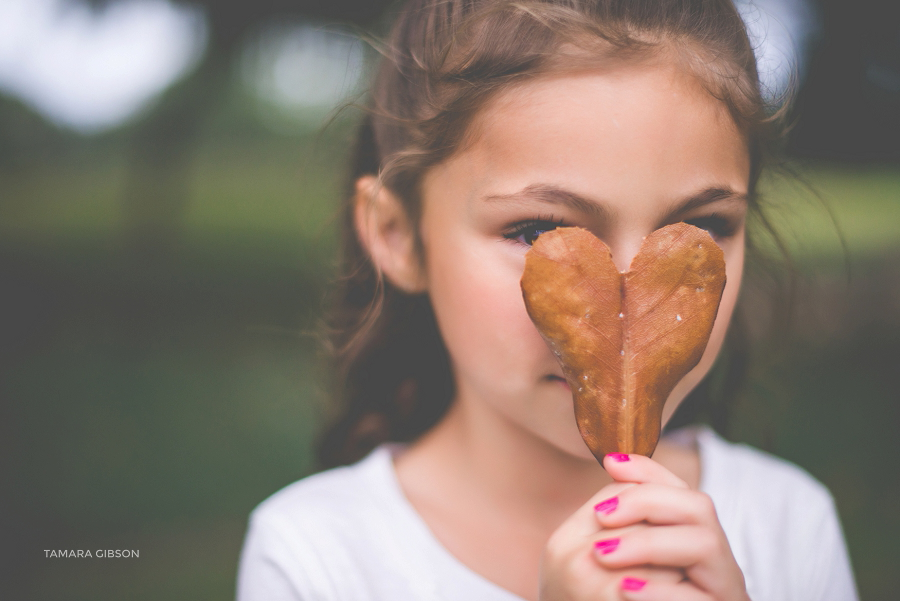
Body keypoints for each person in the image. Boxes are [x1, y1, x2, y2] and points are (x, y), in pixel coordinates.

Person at [236, 1, 859, 599]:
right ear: (399, 237)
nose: (625, 311)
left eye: (702, 228)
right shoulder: (315, 556)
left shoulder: (791, 529)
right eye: (539, 231)